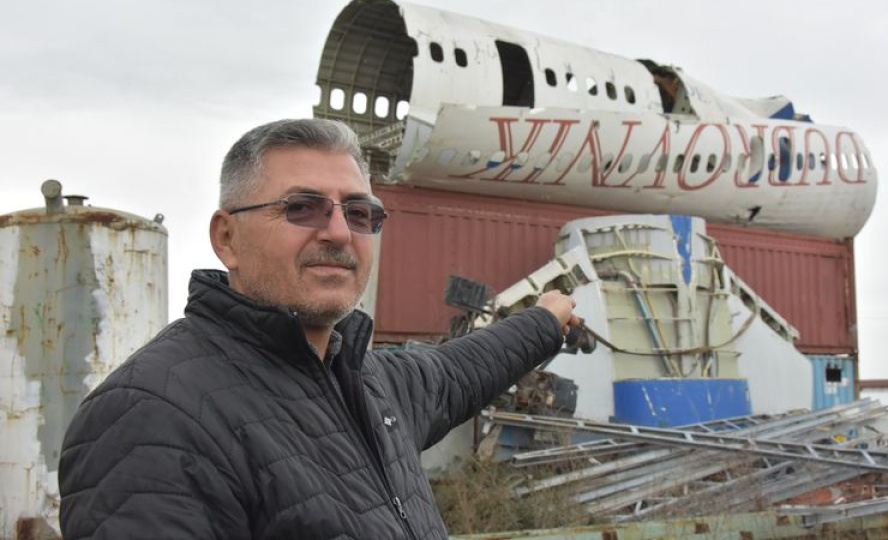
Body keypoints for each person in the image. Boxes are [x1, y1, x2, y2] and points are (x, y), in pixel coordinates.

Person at [58, 118, 578, 539]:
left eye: (359, 212)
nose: (337, 232)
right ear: (227, 238)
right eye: (302, 208)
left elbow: (461, 368)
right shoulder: (150, 417)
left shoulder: (366, 381)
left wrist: (546, 320)